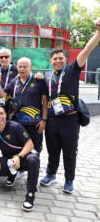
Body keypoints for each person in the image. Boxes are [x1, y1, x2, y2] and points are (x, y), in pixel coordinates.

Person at [40, 20, 100, 194]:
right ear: (50, 61)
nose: (58, 61)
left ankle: (69, 180)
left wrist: (98, 33)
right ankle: (50, 174)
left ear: (65, 60)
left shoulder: (73, 70)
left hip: (70, 119)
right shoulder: (46, 75)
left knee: (69, 151)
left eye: (61, 58)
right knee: (52, 149)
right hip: (52, 119)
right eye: (55, 59)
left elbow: (87, 50)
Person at [0, 104, 39, 211]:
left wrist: (18, 156)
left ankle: (30, 194)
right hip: (9, 159)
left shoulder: (16, 126)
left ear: (5, 115)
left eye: (1, 113)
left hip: (24, 157)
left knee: (33, 160)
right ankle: (13, 173)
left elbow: (30, 144)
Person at [0, 57, 48, 153]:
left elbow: (45, 101)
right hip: (17, 123)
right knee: (19, 147)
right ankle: (20, 166)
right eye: (20, 67)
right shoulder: (14, 82)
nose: (22, 69)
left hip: (34, 123)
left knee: (35, 149)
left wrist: (44, 120)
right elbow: (1, 94)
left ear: (30, 67)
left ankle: (34, 166)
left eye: (25, 67)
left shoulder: (38, 81)